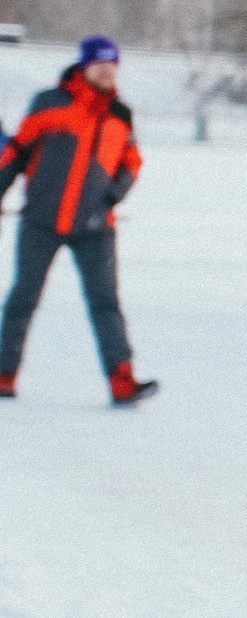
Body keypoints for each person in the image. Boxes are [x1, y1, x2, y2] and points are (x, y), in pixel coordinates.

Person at [0, 33, 155, 404]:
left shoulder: (121, 114)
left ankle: (122, 382)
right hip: (41, 220)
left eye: (112, 66)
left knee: (106, 303)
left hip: (95, 227)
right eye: (100, 65)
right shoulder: (49, 103)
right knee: (24, 297)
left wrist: (112, 197)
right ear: (85, 67)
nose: (107, 72)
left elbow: (131, 163)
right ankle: (4, 373)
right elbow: (16, 153)